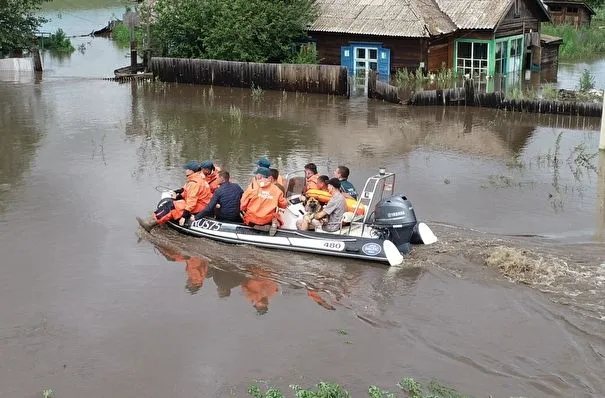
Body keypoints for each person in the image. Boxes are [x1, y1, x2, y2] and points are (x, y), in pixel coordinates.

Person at [137, 161, 212, 232]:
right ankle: (151, 220)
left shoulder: (194, 183)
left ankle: (150, 224)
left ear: (192, 171)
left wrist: (184, 216)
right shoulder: (196, 179)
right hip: (200, 204)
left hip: (199, 206)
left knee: (171, 207)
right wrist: (177, 197)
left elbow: (192, 201)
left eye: (187, 169)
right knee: (171, 204)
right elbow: (186, 192)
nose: (185, 170)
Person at [240, 167, 287, 236]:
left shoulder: (252, 187)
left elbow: (243, 205)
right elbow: (284, 204)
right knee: (276, 215)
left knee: (247, 217)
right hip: (268, 219)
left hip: (253, 219)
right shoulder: (277, 190)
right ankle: (274, 223)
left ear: (259, 176)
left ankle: (257, 227)